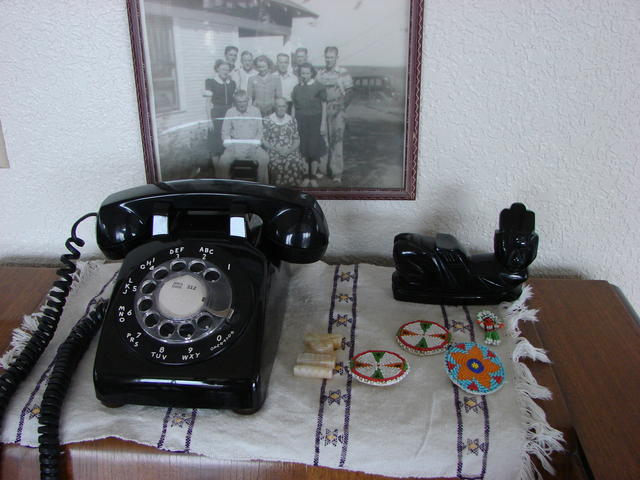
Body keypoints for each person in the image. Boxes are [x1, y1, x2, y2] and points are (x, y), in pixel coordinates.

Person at [316, 46, 353, 184]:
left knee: (337, 141)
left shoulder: (343, 73)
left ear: (337, 58)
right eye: (327, 57)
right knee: (323, 139)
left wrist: (342, 108)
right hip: (323, 109)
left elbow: (350, 92)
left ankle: (337, 172)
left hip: (337, 109)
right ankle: (322, 169)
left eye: (331, 57)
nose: (328, 60)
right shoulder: (320, 73)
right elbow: (316, 91)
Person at [219, 90, 269, 183]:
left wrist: (254, 146)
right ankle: (225, 188)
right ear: (235, 102)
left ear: (248, 101)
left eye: (244, 101)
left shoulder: (255, 111)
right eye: (239, 102)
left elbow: (260, 131)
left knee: (264, 158)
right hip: (235, 146)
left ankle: (260, 187)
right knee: (223, 161)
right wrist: (230, 146)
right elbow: (225, 132)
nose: (242, 104)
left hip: (252, 146)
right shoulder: (230, 112)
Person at [291, 63, 327, 187]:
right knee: (304, 148)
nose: (304, 75)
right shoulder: (296, 88)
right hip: (301, 120)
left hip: (315, 120)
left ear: (312, 73)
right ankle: (306, 176)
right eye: (302, 73)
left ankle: (313, 176)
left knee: (314, 148)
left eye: (307, 73)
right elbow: (294, 107)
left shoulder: (319, 87)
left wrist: (323, 123)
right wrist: (293, 122)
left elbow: (324, 106)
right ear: (299, 74)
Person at [262, 97, 306, 186]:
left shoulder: (292, 120)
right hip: (273, 150)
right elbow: (264, 140)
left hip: (290, 150)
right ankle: (278, 193)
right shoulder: (267, 120)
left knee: (295, 162)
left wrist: (289, 150)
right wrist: (276, 149)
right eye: (279, 106)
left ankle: (293, 193)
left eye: (283, 106)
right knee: (277, 163)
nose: (281, 109)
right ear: (275, 107)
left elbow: (297, 139)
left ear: (286, 107)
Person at [204, 59, 236, 160]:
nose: (225, 71)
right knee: (216, 142)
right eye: (222, 69)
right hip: (216, 114)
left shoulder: (232, 83)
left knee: (227, 139)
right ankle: (217, 170)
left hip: (229, 113)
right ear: (217, 69)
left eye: (227, 69)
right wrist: (209, 120)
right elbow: (208, 103)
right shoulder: (210, 82)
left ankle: (226, 167)